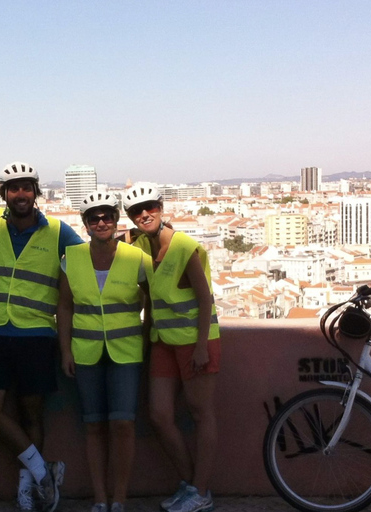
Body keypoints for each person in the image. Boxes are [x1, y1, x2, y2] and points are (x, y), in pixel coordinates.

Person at [0, 162, 84, 512]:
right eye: (13, 188)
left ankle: (29, 485)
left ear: (36, 191)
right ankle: (42, 470)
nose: (20, 194)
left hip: (36, 334)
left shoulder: (57, 231)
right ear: (3, 193)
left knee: (32, 415)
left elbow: (88, 257)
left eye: (27, 187)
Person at [123, 183, 220, 512]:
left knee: (201, 413)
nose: (144, 214)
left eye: (150, 207)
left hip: (196, 341)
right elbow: (149, 299)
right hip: (162, 342)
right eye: (137, 211)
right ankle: (190, 483)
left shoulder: (183, 247)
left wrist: (203, 346)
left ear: (161, 208)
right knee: (160, 415)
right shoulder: (140, 248)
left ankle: (202, 490)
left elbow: (205, 298)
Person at [57, 193, 151, 512]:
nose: (101, 223)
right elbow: (65, 306)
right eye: (94, 218)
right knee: (94, 425)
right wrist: (66, 350)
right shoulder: (71, 257)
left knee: (123, 424)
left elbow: (150, 300)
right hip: (85, 352)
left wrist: (149, 338)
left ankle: (120, 498)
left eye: (107, 216)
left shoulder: (135, 256)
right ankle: (100, 498)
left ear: (115, 220)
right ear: (85, 224)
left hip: (126, 351)